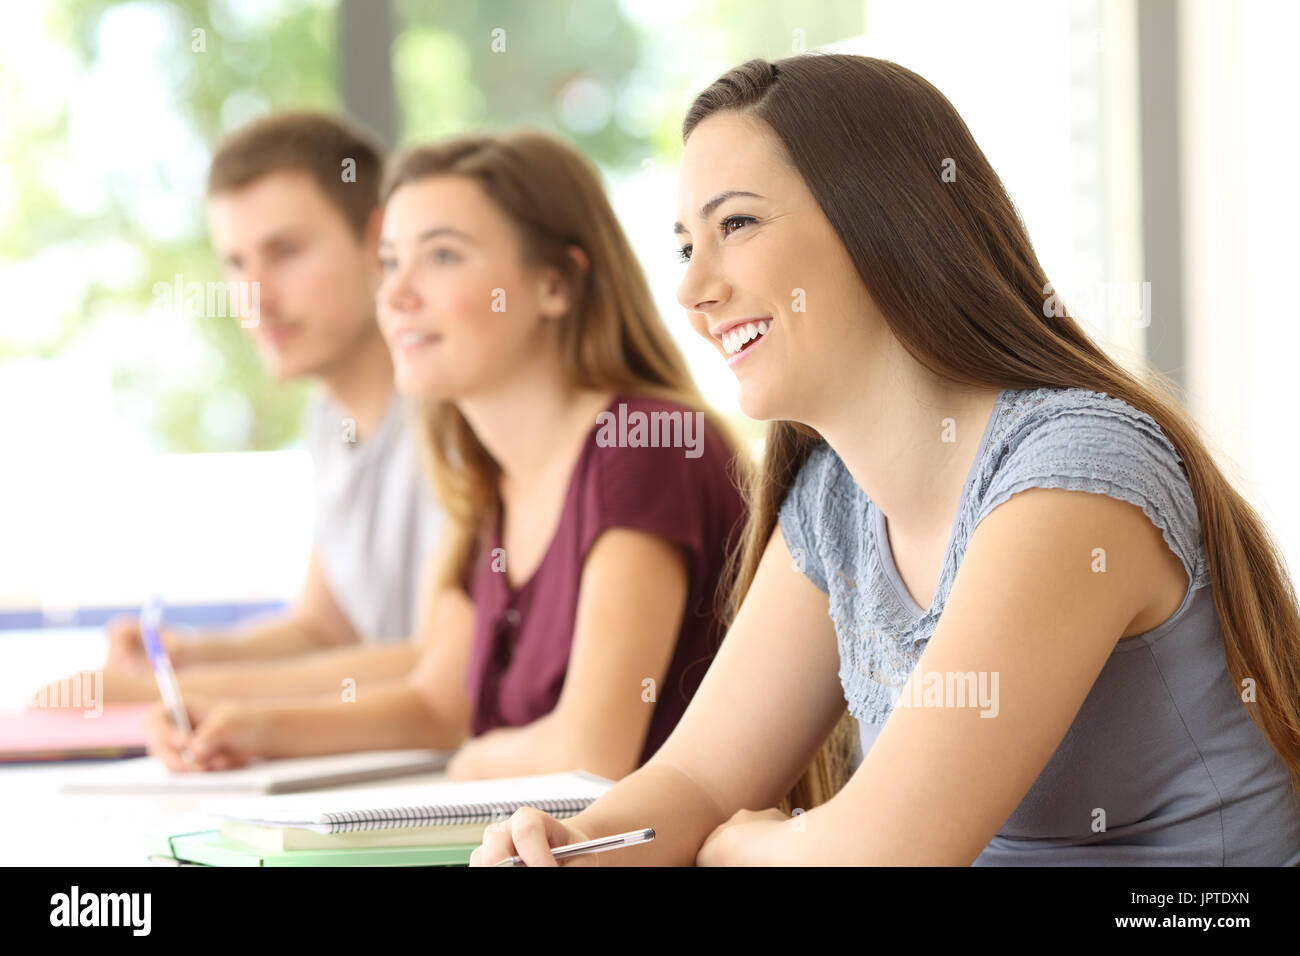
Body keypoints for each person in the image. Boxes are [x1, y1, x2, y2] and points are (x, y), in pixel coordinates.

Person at [470, 53, 1300, 866]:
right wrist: (573, 846)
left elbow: (883, 852)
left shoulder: (1074, 472)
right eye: (687, 246)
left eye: (737, 224)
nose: (692, 292)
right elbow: (695, 778)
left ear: (883, 221)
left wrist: (740, 850)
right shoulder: (834, 503)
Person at [145, 129, 748, 782]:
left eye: (441, 257)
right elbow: (438, 702)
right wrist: (245, 726)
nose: (397, 293)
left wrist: (470, 764)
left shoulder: (642, 446)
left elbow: (587, 756)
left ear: (555, 284)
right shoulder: (489, 483)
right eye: (390, 260)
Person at [100, 112, 442, 701]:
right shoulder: (328, 419)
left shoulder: (451, 409)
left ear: (378, 240)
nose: (256, 296)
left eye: (285, 252)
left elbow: (439, 663)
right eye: (236, 263)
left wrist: (183, 693)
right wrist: (186, 656)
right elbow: (324, 628)